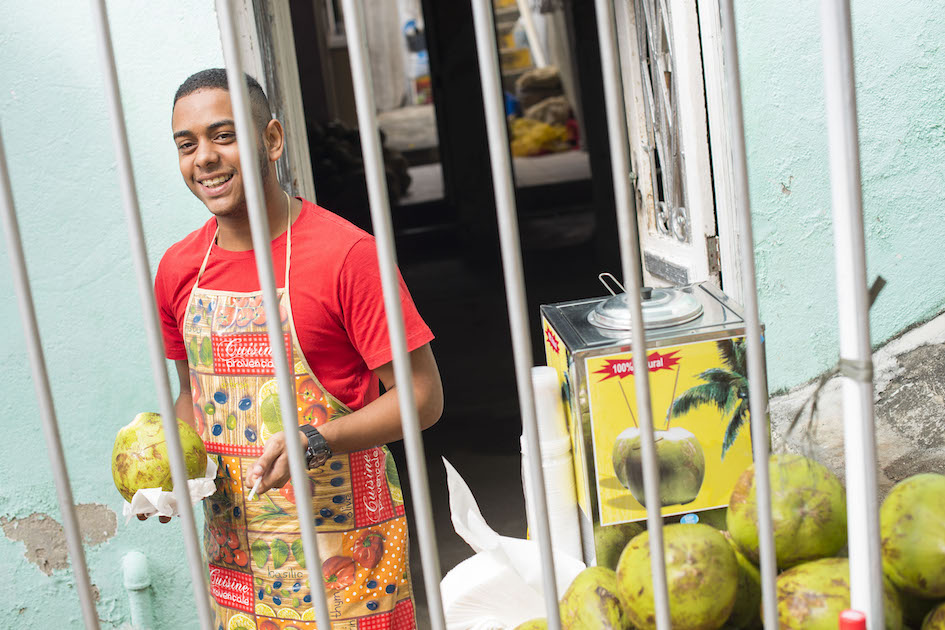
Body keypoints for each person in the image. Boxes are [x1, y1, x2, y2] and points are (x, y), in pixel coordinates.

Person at [155, 68, 443, 630]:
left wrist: (320, 437)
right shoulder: (178, 270)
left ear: (272, 140)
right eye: (186, 146)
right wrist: (171, 472)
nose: (204, 158)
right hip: (237, 565)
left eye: (224, 135)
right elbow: (191, 393)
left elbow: (423, 397)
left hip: (348, 562)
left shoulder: (347, 255)